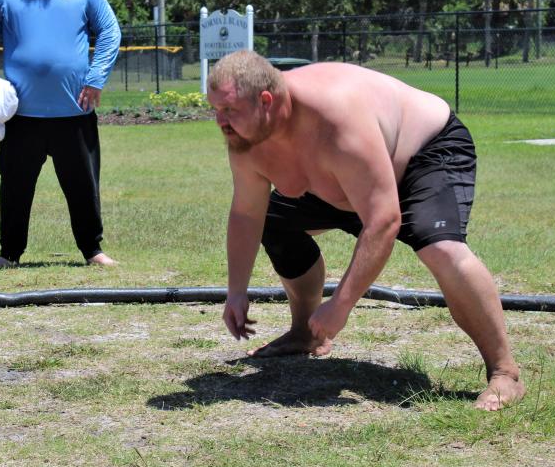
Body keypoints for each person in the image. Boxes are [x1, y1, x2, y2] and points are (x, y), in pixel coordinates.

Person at [207, 50, 524, 411]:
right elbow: (247, 215)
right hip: (342, 185)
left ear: (266, 101)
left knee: (440, 246)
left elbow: (384, 220)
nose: (221, 122)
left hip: (423, 155)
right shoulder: (246, 139)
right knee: (276, 221)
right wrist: (236, 291)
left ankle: (504, 371)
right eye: (215, 109)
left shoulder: (335, 117)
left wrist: (340, 305)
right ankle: (305, 334)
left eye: (229, 110)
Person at [0, 0, 121, 268]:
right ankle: (9, 253)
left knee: (83, 186)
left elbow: (110, 32)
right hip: (22, 115)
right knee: (15, 187)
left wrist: (96, 77)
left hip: (74, 112)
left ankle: (92, 250)